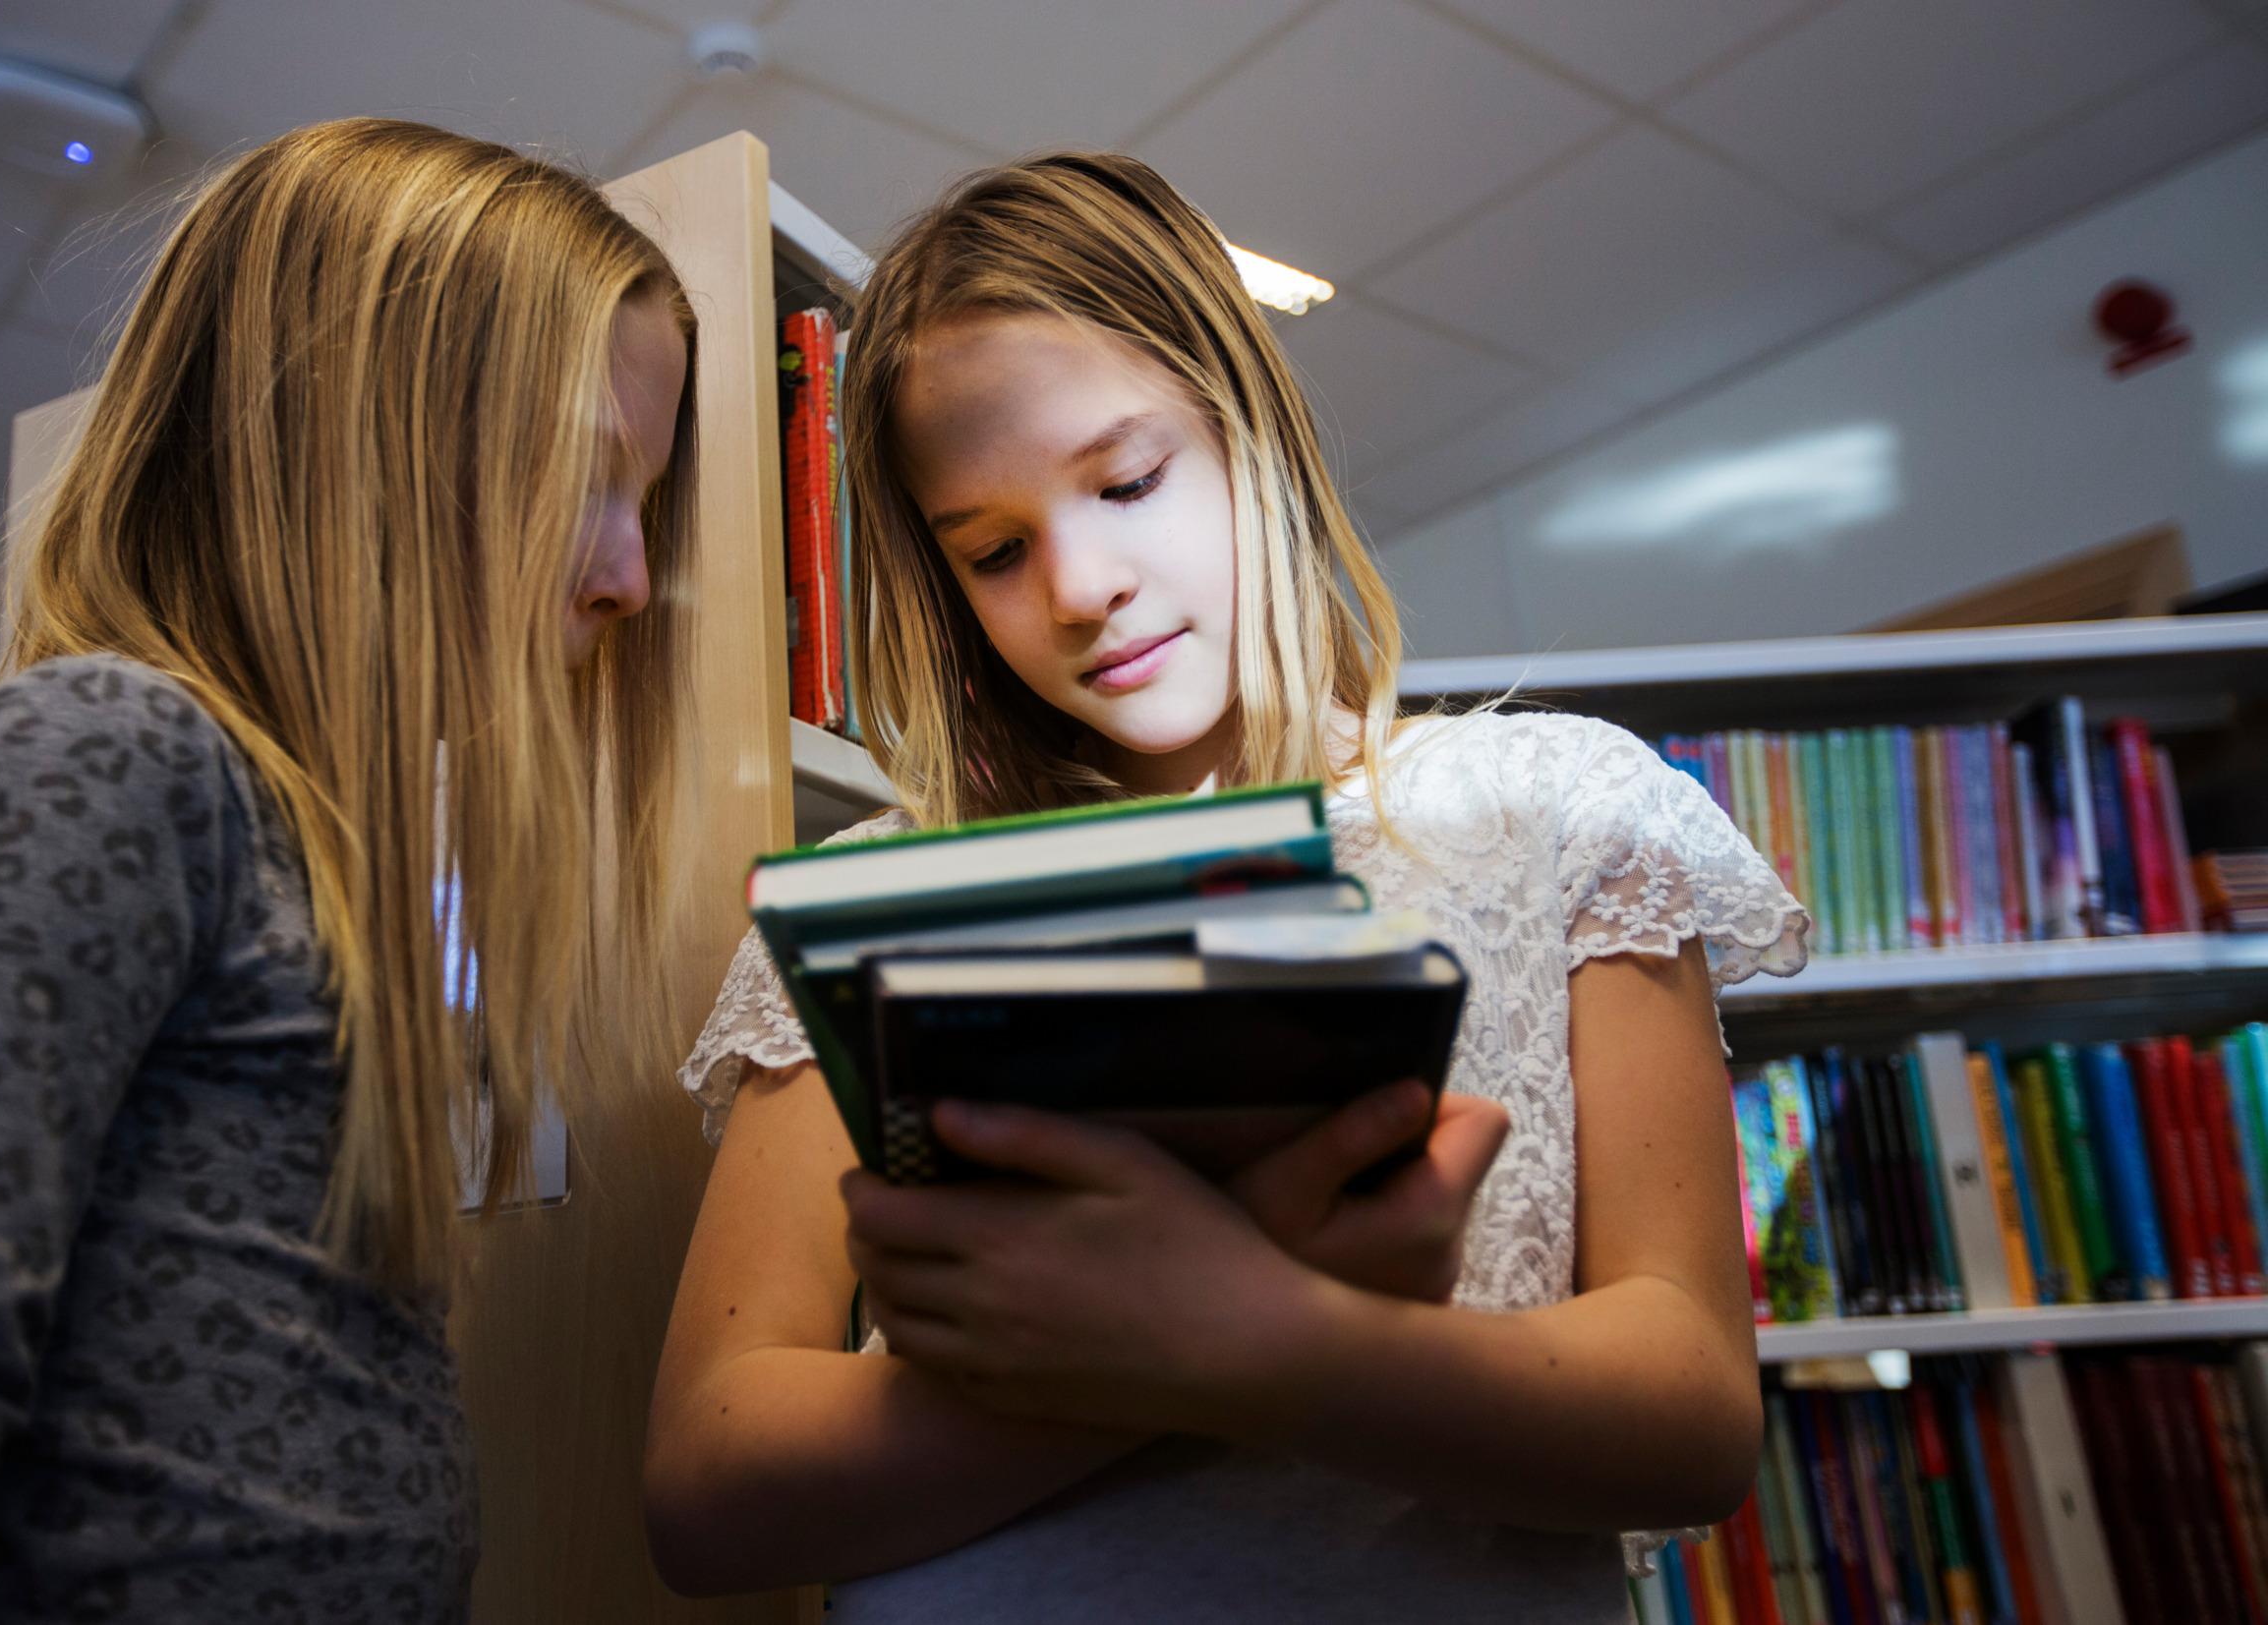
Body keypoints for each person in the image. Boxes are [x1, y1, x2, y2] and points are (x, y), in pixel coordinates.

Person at [645, 150, 1810, 1621]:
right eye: (995, 551)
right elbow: (703, 1485)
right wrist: (1217, 1331)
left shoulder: (1559, 808)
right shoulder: (879, 899)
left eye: (1129, 480)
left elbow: (1693, 1411)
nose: (1077, 586)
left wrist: (1261, 1336)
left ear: (1250, 425)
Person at [0, 118, 698, 1622]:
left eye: (648, 505)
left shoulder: (328, 882)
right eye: (583, 478)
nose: (627, 576)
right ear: (364, 452)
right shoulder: (110, 755)